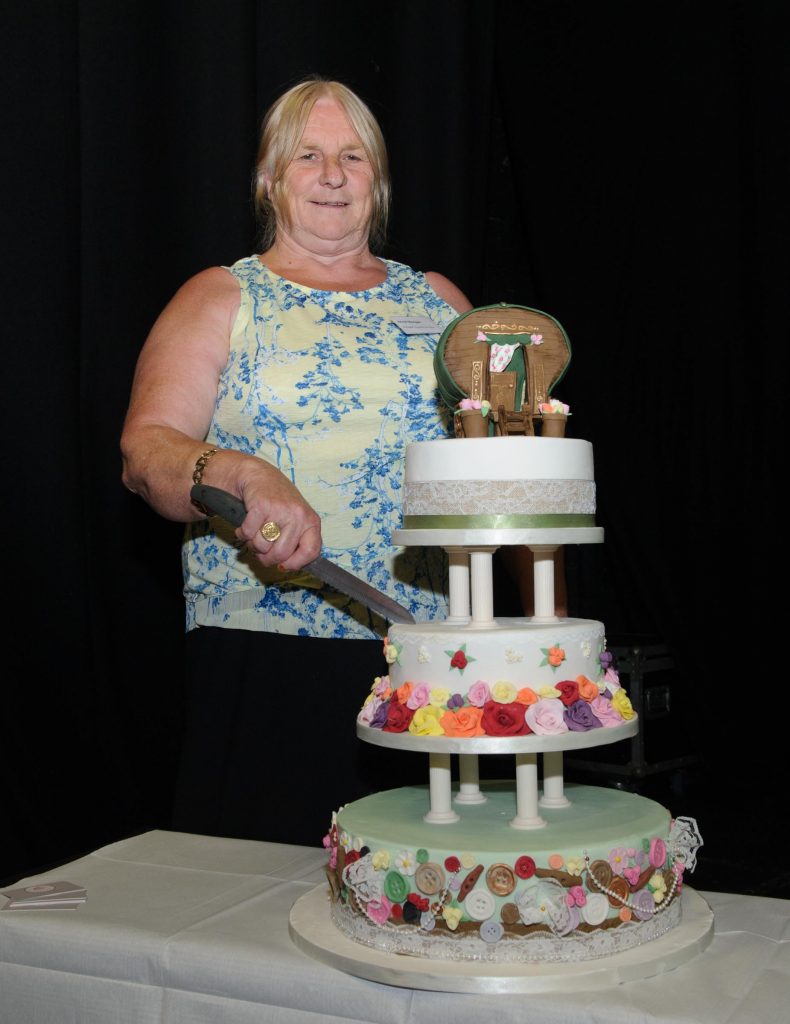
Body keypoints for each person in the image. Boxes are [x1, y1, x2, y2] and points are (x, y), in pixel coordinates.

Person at [120, 77, 473, 845]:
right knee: (256, 902)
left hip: (426, 648)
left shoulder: (442, 301)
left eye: (354, 156)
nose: (334, 175)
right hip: (267, 643)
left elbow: (505, 455)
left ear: (377, 180)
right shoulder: (219, 296)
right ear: (269, 178)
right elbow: (147, 452)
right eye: (308, 155)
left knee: (423, 893)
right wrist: (241, 473)